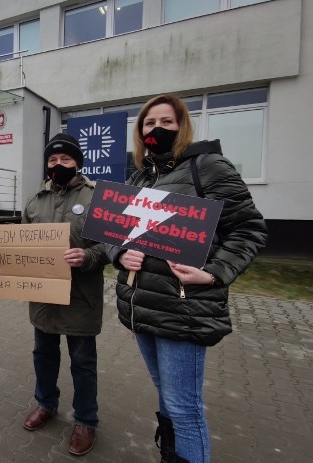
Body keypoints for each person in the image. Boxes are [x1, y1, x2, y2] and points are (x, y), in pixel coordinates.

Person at [106, 94, 267, 463]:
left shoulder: (208, 167)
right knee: (166, 398)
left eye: (166, 122)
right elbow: (116, 233)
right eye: (149, 123)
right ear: (139, 131)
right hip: (142, 307)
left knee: (184, 408)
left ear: (182, 127)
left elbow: (248, 229)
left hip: (184, 307)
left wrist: (213, 273)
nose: (156, 129)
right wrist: (119, 253)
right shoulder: (138, 177)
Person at [0, 133, 108, 456]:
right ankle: (46, 403)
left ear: (77, 162)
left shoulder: (95, 198)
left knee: (82, 361)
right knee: (44, 355)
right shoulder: (35, 200)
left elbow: (110, 246)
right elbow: (20, 245)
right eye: (52, 160)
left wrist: (87, 257)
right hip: (43, 298)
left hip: (80, 297)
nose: (58, 165)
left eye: (65, 159)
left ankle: (86, 420)